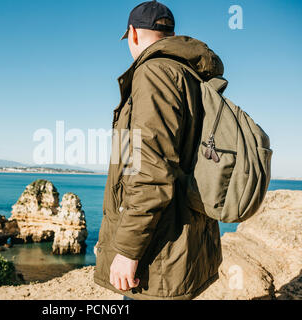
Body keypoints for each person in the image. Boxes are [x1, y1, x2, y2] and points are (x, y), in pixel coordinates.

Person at [94, 1, 224, 300]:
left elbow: (150, 171)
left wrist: (127, 250)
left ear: (133, 34)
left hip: (160, 251)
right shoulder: (190, 76)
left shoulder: (153, 73)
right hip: (187, 238)